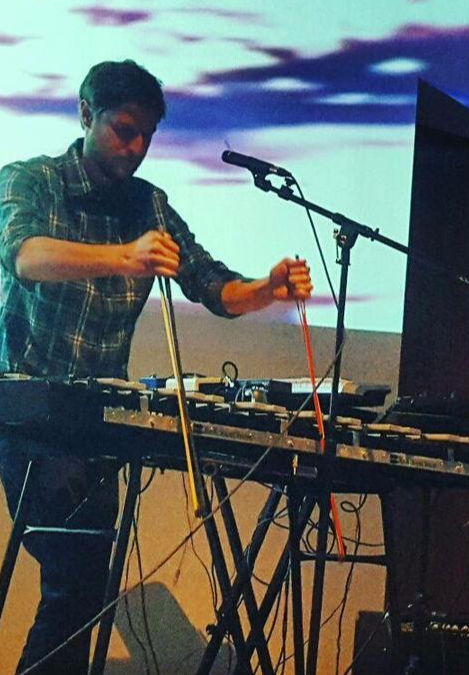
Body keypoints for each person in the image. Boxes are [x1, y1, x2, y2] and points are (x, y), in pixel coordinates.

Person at [0, 60, 312, 674]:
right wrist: (123, 256)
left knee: (85, 591)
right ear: (85, 115)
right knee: (74, 582)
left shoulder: (150, 204)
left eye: (146, 135)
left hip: (97, 425)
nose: (136, 147)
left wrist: (265, 290)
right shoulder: (30, 180)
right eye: (124, 130)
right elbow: (25, 256)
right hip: (30, 416)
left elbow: (211, 285)